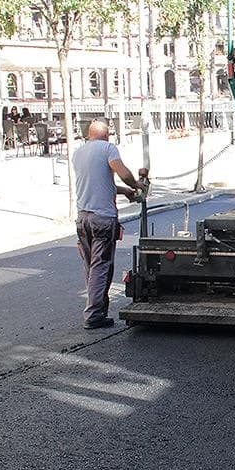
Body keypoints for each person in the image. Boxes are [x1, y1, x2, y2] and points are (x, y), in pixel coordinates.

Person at [73, 119, 146, 330]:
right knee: (101, 267)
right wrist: (135, 184)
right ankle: (94, 315)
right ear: (106, 135)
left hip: (83, 218)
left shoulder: (79, 153)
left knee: (91, 267)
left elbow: (101, 184)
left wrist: (125, 193)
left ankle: (99, 310)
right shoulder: (108, 148)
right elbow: (121, 172)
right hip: (102, 220)